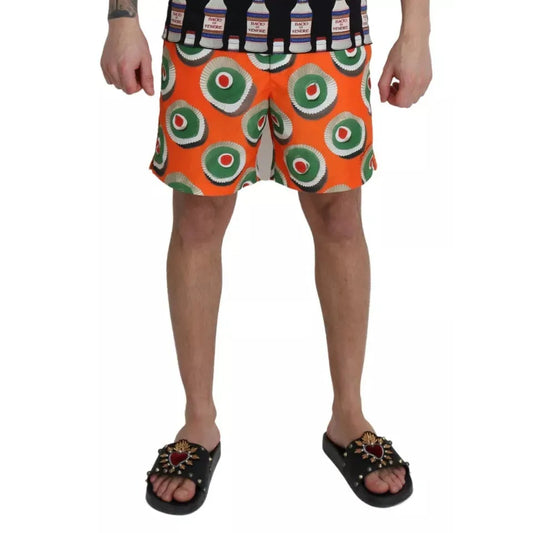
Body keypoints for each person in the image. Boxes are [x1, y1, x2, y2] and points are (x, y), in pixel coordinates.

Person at [101, 0, 432, 514]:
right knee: (198, 222)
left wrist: (417, 30)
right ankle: (198, 420)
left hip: (330, 30)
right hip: (205, 28)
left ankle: (349, 415)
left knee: (339, 219)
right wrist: (122, 18)